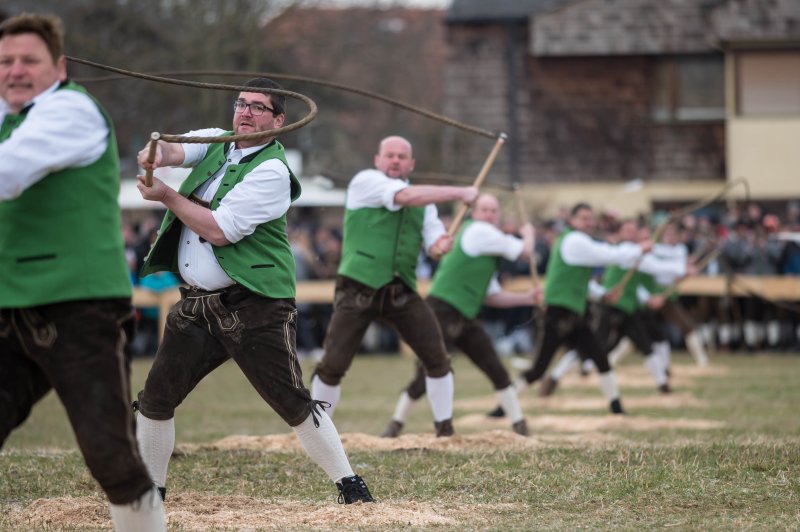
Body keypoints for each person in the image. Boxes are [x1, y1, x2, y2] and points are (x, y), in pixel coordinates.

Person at [134, 77, 373, 505]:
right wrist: (155, 153)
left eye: (257, 108)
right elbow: (171, 150)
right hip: (196, 304)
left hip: (256, 302)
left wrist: (166, 193)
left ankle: (351, 487)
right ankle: (151, 491)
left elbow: (219, 231)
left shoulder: (273, 172)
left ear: (278, 121)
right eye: (240, 104)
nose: (244, 113)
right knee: (155, 398)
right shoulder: (217, 141)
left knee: (291, 401)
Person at [0, 13, 166, 531]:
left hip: (79, 304)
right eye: (5, 61)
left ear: (61, 67)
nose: (16, 71)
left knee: (109, 456)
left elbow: (8, 172)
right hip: (10, 305)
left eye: (30, 60)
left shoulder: (71, 110)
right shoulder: (8, 115)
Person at [310, 135, 478, 436]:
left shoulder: (425, 205)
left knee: (437, 359)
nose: (396, 160)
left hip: (401, 290)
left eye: (402, 156)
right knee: (333, 364)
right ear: (378, 160)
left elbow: (433, 242)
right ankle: (316, 432)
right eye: (390, 155)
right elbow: (404, 197)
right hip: (358, 287)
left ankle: (445, 430)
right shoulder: (366, 181)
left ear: (411, 164)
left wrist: (441, 245)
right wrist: (459, 192)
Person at [380, 194, 537, 438]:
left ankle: (520, 424)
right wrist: (528, 233)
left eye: (493, 211)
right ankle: (395, 424)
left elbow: (491, 296)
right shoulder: (478, 233)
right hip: (440, 310)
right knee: (426, 373)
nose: (489, 215)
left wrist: (526, 298)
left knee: (495, 368)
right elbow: (525, 251)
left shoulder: (487, 244)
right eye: (484, 209)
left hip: (465, 315)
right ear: (473, 213)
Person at [491, 203, 653, 416]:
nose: (589, 222)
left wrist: (602, 294)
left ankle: (617, 409)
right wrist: (638, 249)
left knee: (600, 359)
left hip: (575, 314)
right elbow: (606, 255)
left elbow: (581, 282)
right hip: (557, 313)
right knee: (538, 369)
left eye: (590, 218)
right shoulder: (574, 240)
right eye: (583, 218)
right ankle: (501, 409)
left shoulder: (579, 241)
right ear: (573, 221)